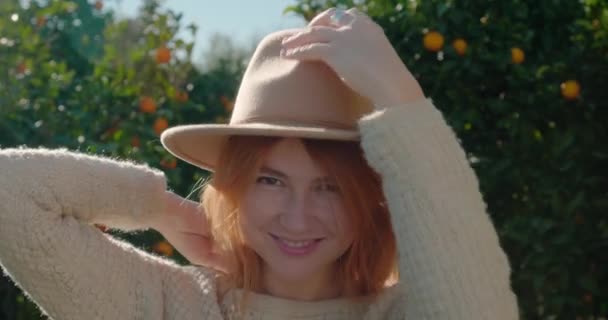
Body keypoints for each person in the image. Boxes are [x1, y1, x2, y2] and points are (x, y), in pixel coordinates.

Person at [0, 7, 519, 320]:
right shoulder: (164, 305)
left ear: (372, 199)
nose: (297, 217)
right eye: (270, 180)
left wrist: (400, 97)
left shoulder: (401, 314)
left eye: (330, 187)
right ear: (233, 186)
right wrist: (160, 209)